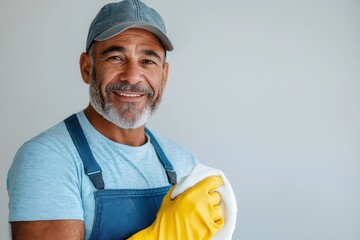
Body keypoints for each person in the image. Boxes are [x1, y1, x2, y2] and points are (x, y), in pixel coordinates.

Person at [7, 0, 225, 239]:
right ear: (87, 68)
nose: (132, 77)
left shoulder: (182, 162)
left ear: (164, 75)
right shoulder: (48, 158)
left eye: (148, 61)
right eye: (116, 58)